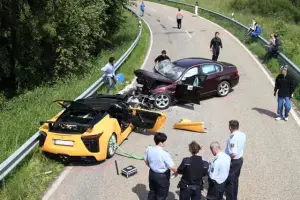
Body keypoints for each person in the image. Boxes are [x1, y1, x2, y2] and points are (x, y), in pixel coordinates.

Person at [144, 132, 177, 200]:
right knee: (161, 195)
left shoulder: (149, 149)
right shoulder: (164, 154)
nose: (165, 143)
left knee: (152, 191)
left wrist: (153, 167)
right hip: (162, 177)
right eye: (164, 141)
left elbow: (146, 161)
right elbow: (172, 167)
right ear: (160, 143)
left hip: (152, 174)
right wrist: (176, 172)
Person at [225, 120, 246, 200]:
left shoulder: (232, 138)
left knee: (229, 181)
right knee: (235, 181)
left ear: (230, 127)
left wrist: (227, 159)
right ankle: (234, 197)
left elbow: (233, 154)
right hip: (240, 160)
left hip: (233, 162)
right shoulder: (242, 134)